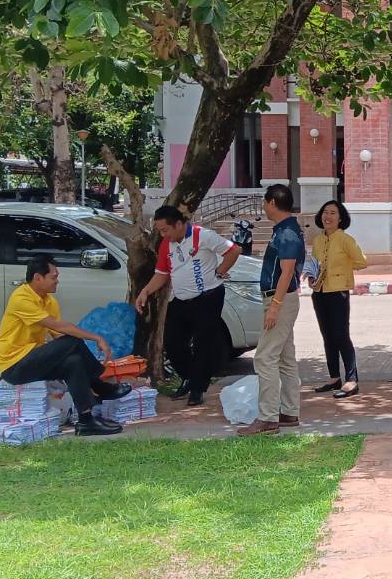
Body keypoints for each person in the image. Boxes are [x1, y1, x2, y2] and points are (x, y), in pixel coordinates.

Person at [0, 255, 122, 437]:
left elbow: (58, 335)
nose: (57, 281)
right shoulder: (21, 298)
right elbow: (61, 328)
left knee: (73, 361)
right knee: (73, 342)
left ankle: (86, 421)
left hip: (33, 358)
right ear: (38, 278)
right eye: (53, 277)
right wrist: (96, 338)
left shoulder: (50, 301)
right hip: (14, 366)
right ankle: (101, 386)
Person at [132, 205, 241, 407]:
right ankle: (189, 377)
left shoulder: (203, 236)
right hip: (181, 299)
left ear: (179, 224)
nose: (163, 235)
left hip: (208, 297)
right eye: (160, 231)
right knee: (172, 342)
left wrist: (219, 271)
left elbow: (234, 250)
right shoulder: (166, 245)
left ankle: (197, 389)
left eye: (165, 230)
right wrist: (145, 291)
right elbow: (162, 274)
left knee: (203, 343)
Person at [240, 184, 305, 436]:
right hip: (283, 299)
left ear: (272, 203)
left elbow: (286, 272)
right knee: (285, 358)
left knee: (264, 357)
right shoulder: (285, 230)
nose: (264, 207)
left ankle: (267, 418)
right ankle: (289, 411)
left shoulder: (287, 233)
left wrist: (275, 307)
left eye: (265, 203)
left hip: (281, 300)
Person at [309, 200, 367, 399]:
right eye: (325, 212)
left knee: (341, 335)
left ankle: (352, 380)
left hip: (338, 292)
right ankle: (334, 377)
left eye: (333, 213)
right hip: (319, 292)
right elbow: (314, 263)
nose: (328, 216)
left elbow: (361, 261)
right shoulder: (318, 240)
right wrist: (312, 276)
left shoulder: (345, 240)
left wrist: (342, 272)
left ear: (340, 218)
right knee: (328, 336)